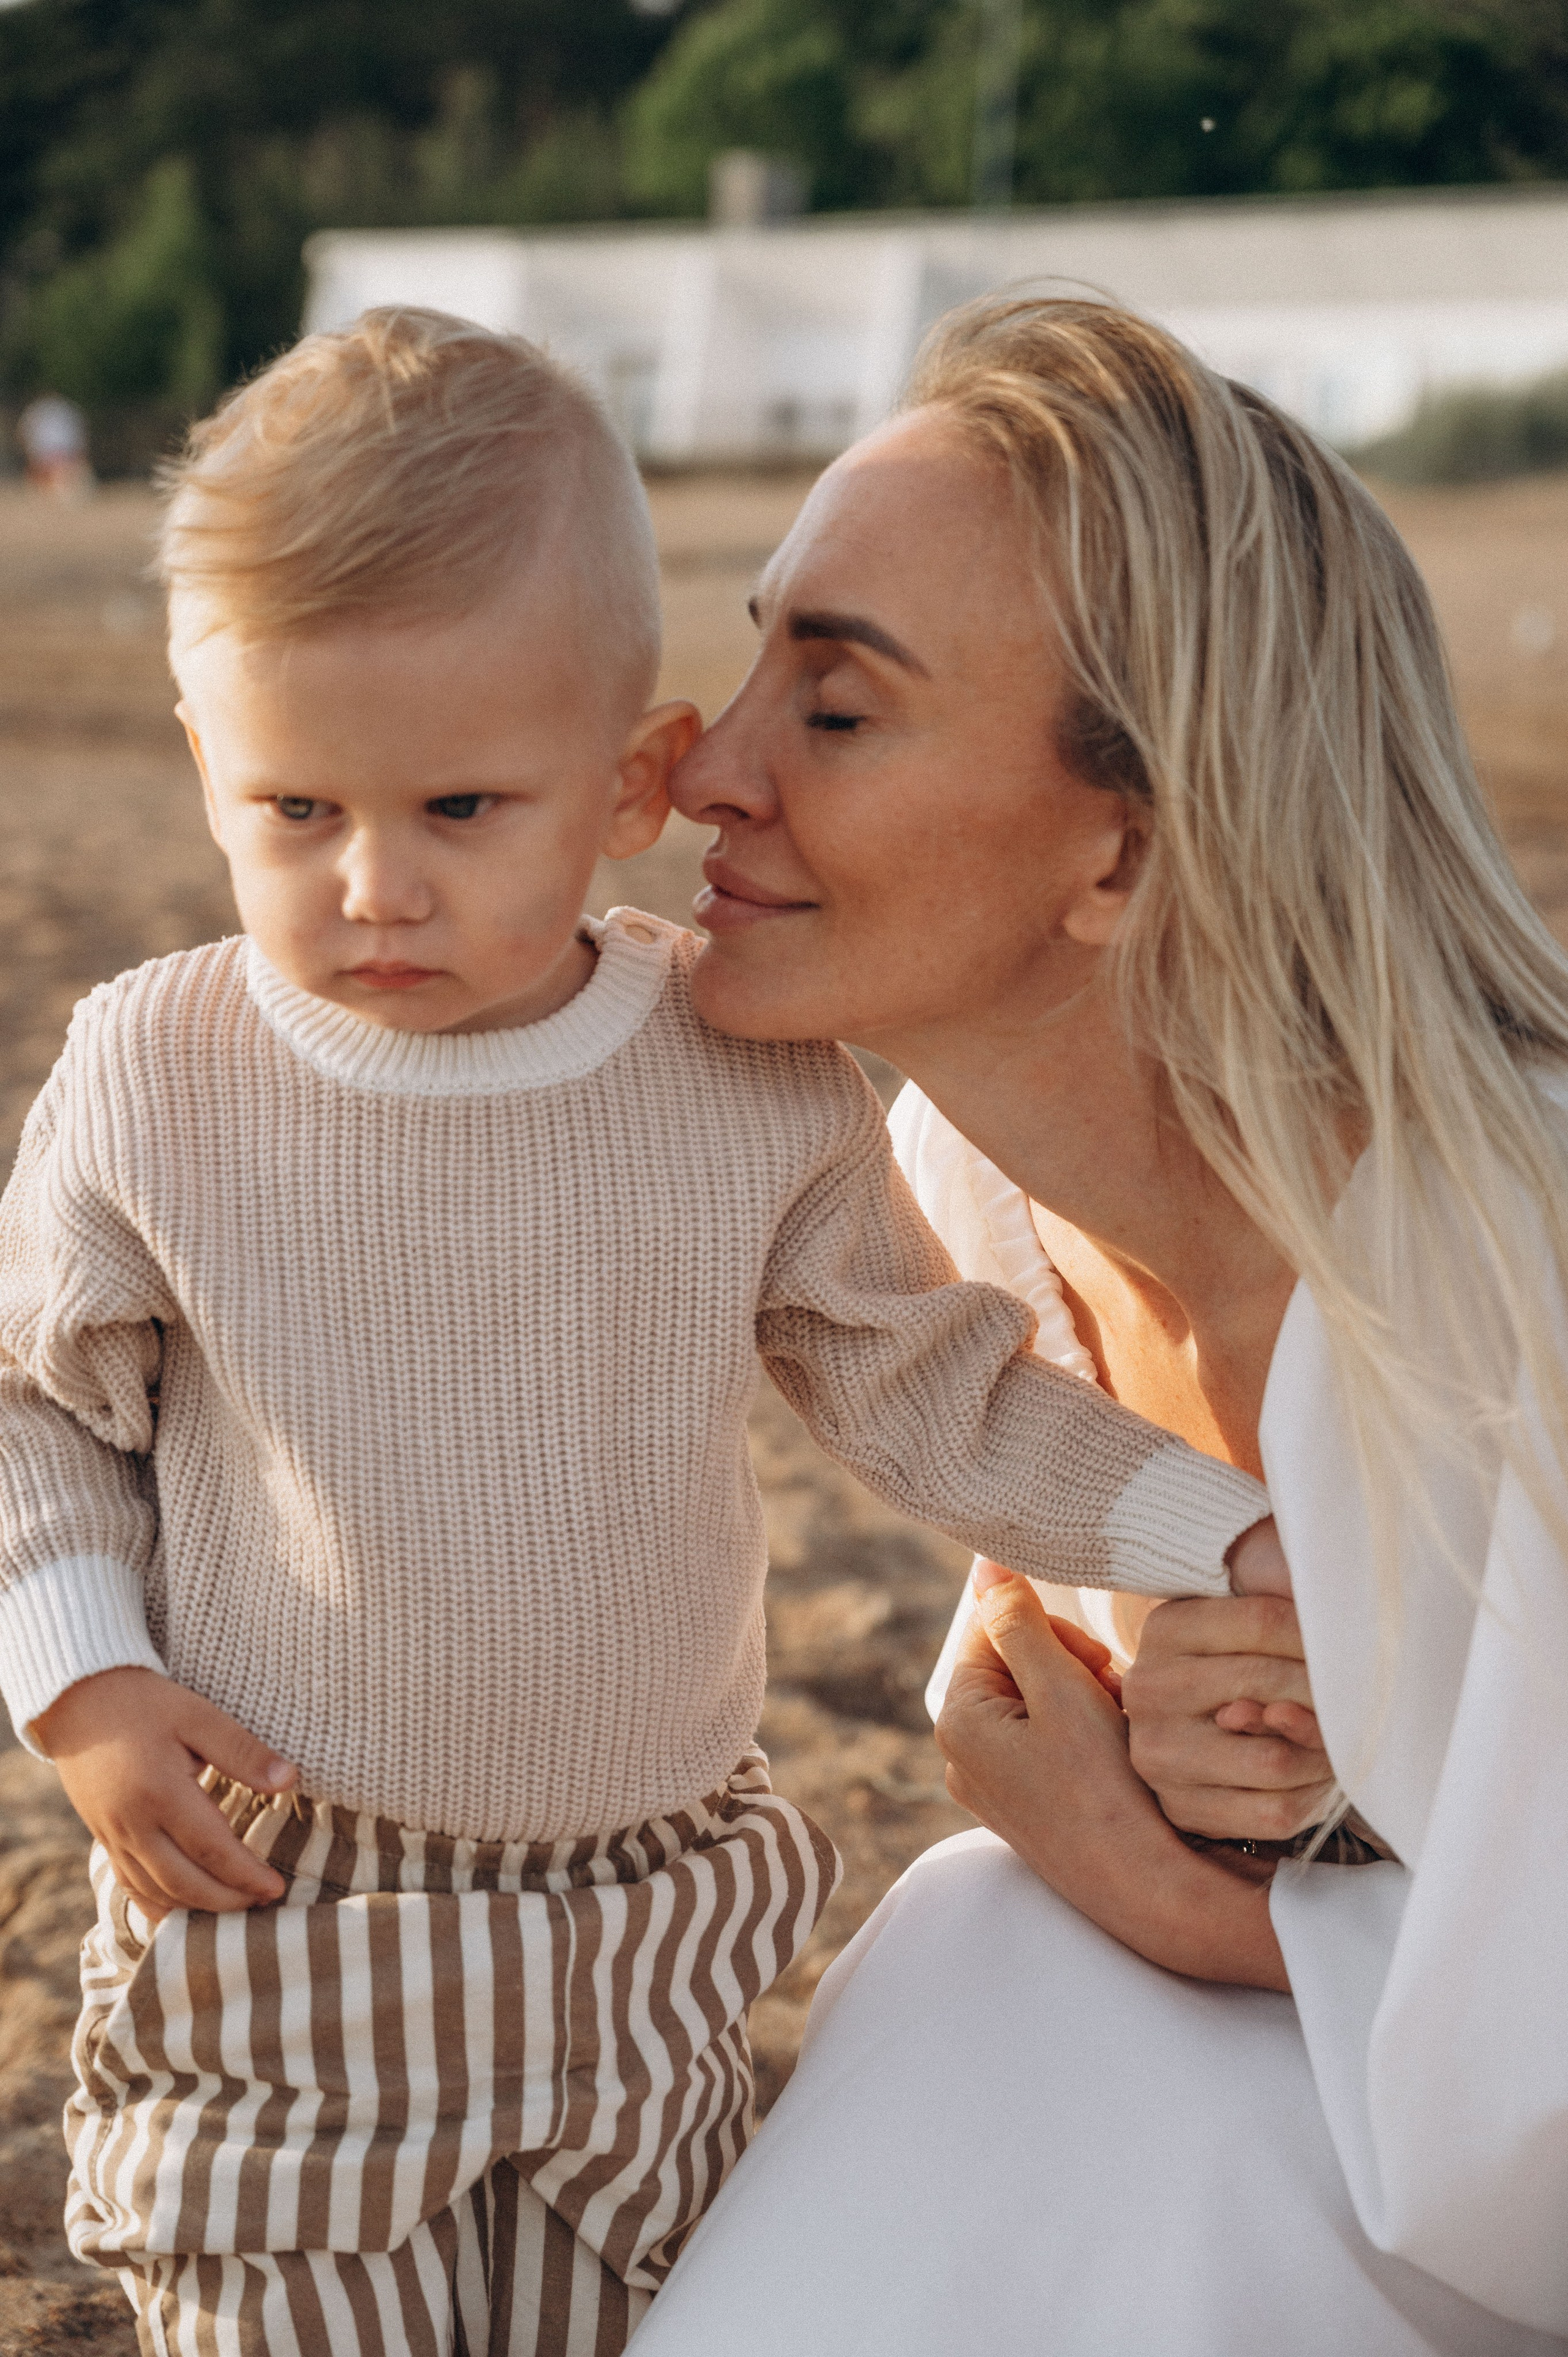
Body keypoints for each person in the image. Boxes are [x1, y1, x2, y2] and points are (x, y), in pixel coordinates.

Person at [0, 307, 1275, 2357]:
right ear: (202, 756)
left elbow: (922, 1381)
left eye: (463, 811)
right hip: (286, 1897)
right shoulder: (163, 1070)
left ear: (628, 783)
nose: (375, 887)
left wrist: (1210, 1527)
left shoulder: (738, 1076)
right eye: (292, 811)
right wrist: (83, 1679)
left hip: (645, 1922)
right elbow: (33, 1406)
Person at [632, 298, 1568, 2352]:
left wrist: (1184, 1908)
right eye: (756, 649)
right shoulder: (963, 1205)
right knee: (990, 1953)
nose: (705, 764)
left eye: (840, 707)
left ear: (1125, 852)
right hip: (1286, 2086)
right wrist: (1068, 1725)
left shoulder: (1515, 1297)